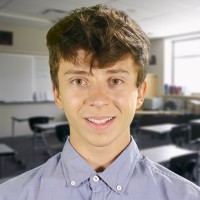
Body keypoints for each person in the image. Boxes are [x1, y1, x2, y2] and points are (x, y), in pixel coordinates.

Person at [0, 4, 200, 200]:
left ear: (140, 94)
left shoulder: (186, 196)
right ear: (57, 93)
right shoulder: (10, 195)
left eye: (115, 80)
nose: (98, 100)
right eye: (79, 81)